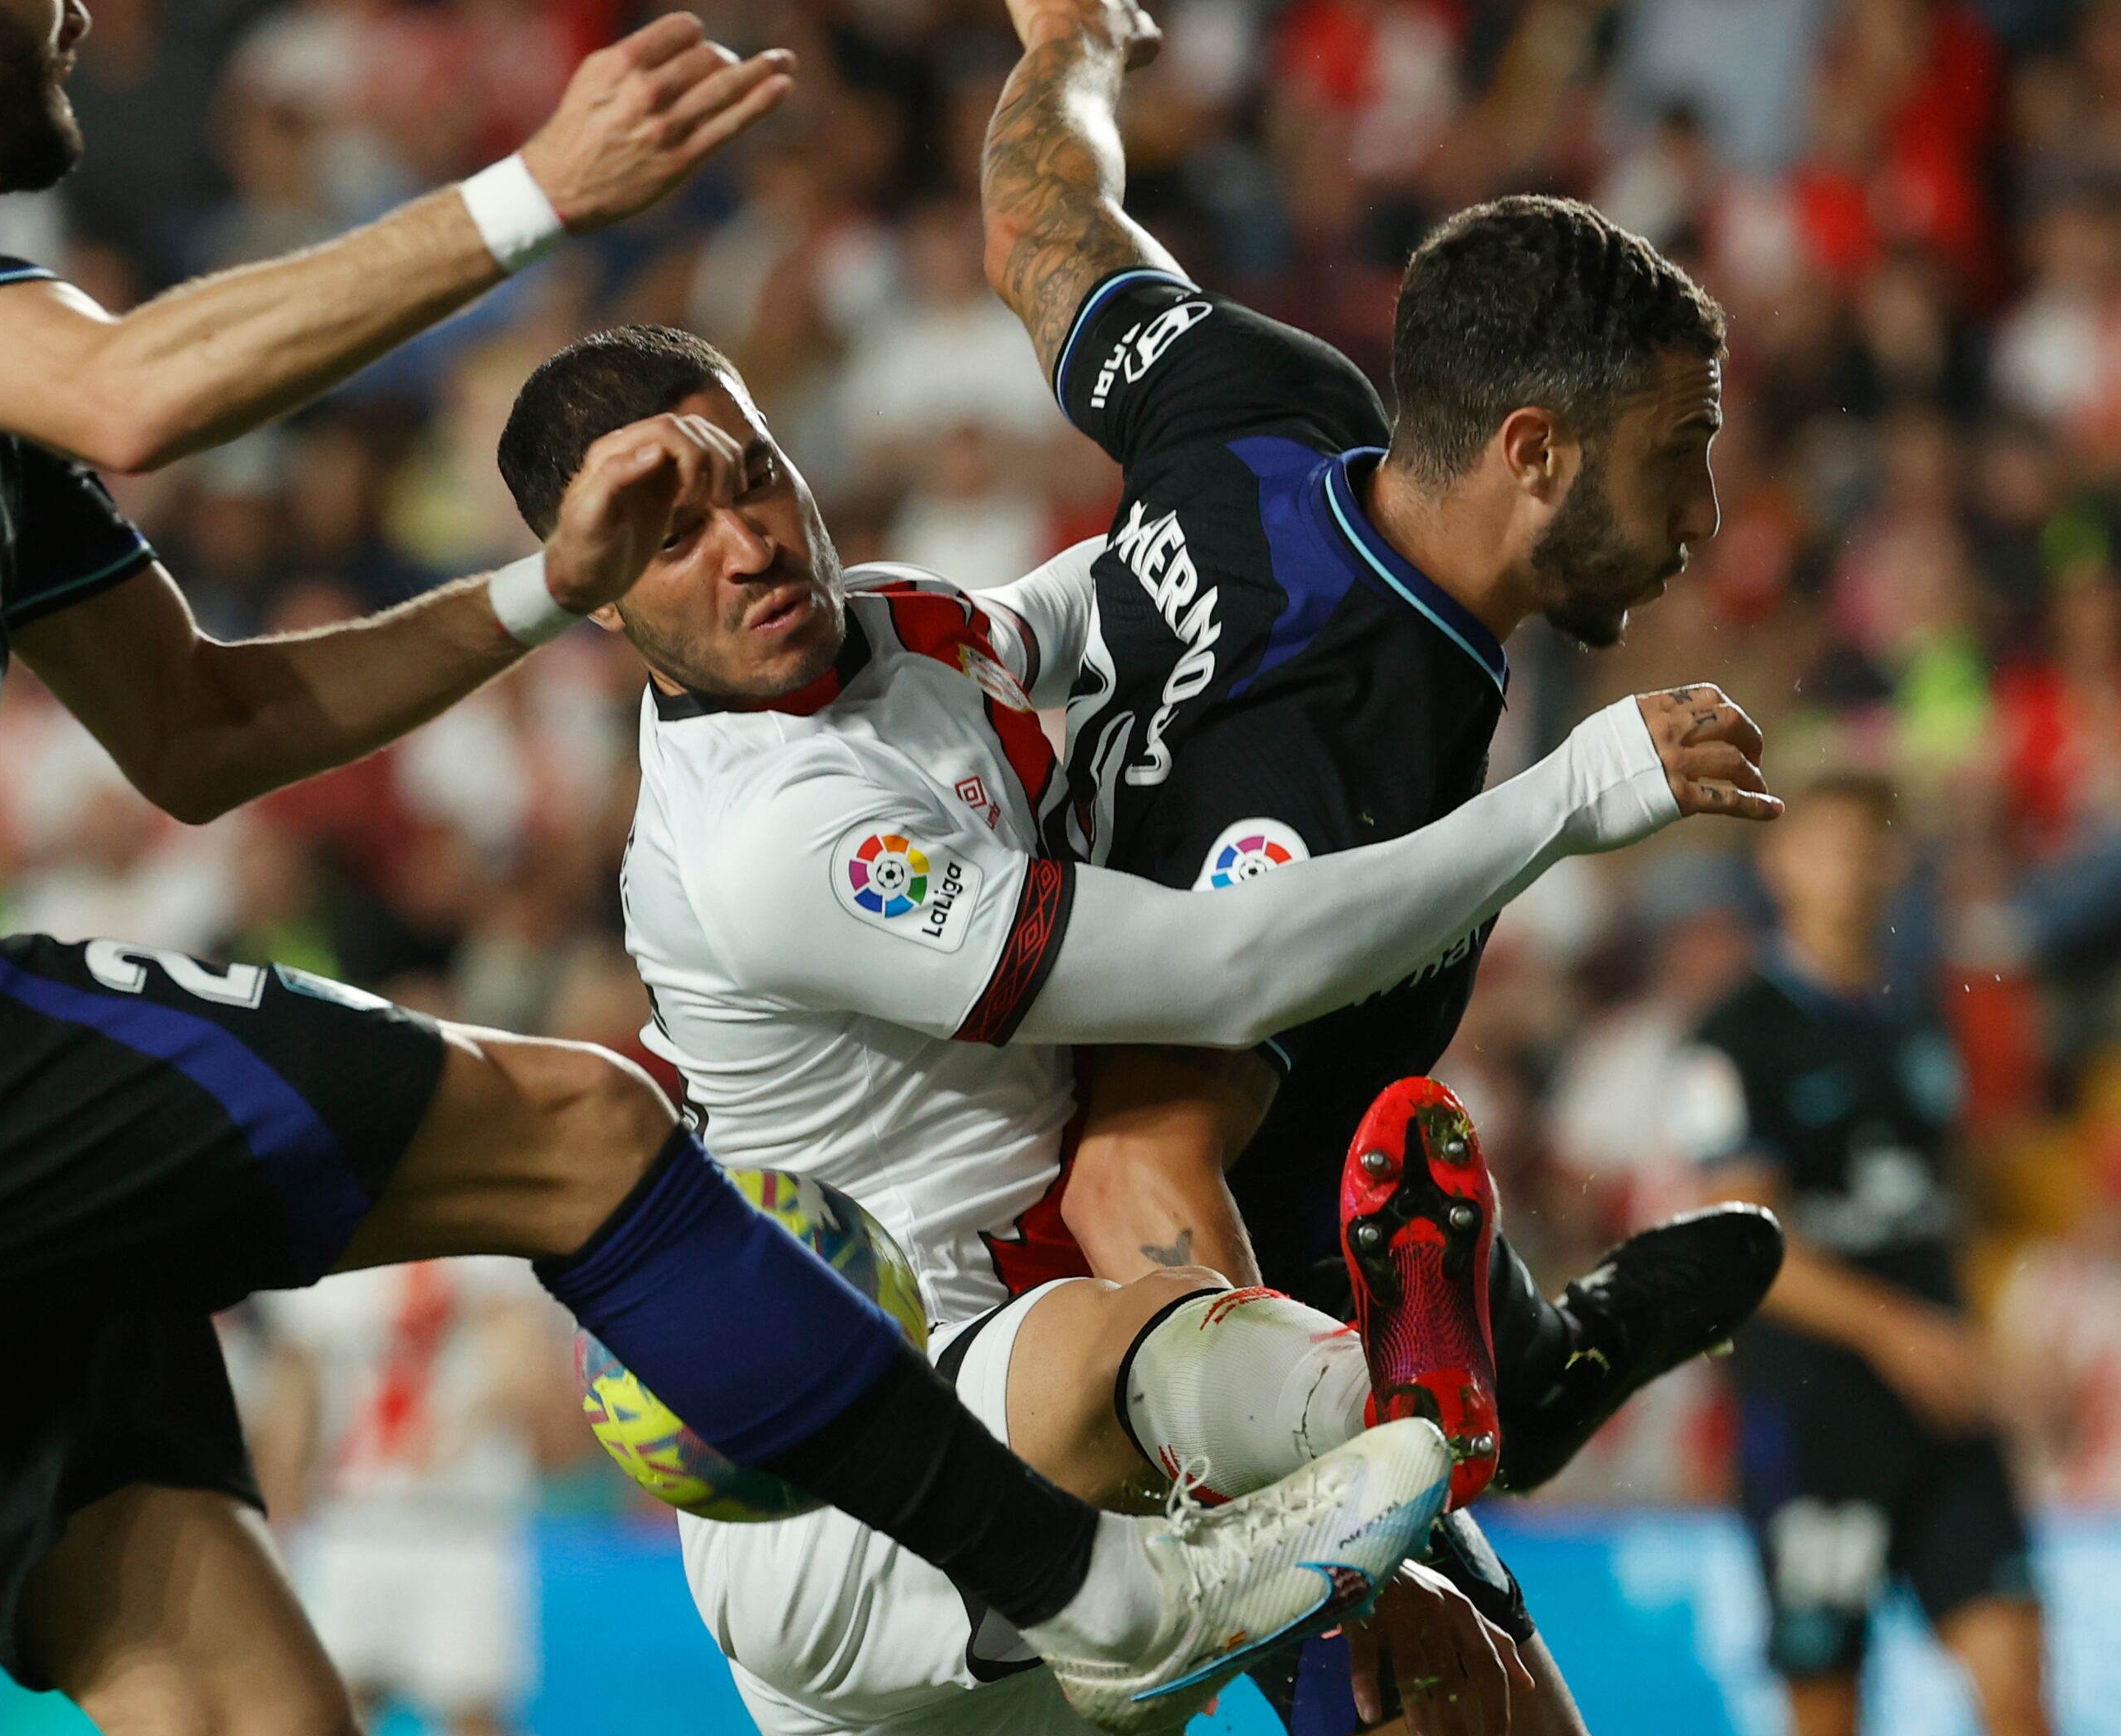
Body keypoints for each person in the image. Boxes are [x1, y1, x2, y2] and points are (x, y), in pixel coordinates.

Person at [0, 4, 1403, 1731]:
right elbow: (135, 391)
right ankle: (1087, 1588)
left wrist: (547, 594)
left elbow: (202, 730)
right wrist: (538, 193)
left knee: (246, 1704)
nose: (82, 20)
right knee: (594, 1137)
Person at [494, 323, 1780, 1735]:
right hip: (863, 1492)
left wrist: (1278, 505)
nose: (746, 539)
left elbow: (1085, 605)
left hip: (1105, 1431)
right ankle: (1408, 1406)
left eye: (753, 476)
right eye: (674, 536)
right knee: (1129, 1361)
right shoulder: (774, 840)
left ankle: (1411, 1419)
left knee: (1492, 1714)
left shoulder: (885, 630)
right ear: (598, 597)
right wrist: (1569, 794)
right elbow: (1225, 969)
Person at [977, 1, 1787, 1725]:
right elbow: (1136, 1174)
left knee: (1371, 1081)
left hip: (1240, 1170)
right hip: (1124, 1306)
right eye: (1681, 456)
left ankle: (1525, 1365)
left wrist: (1071, 50)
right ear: (1533, 453)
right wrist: (1330, 1572)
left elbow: (1041, 226)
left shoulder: (1267, 407)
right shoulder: (1345, 746)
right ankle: (1505, 1381)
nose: (1704, 519)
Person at [1680, 773, 2049, 1736]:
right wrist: (1899, 1333)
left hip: (1946, 1411)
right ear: (1781, 864)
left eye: (1870, 846)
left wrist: (1997, 1333)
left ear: (1897, 865)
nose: (1854, 868)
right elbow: (1747, 1249)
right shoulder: (1736, 1040)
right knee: (1829, 1710)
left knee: (2020, 1690)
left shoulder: (1924, 1020)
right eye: (1831, 844)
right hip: (1816, 1418)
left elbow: (1949, 1204)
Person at [252, 1258, 565, 1736]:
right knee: (328, 1708)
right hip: (351, 1520)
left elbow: (526, 1371)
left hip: (464, 1524)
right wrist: (277, 1509)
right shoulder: (323, 1257)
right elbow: (298, 1391)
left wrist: (467, 1421)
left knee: (473, 1712)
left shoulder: (485, 1253)